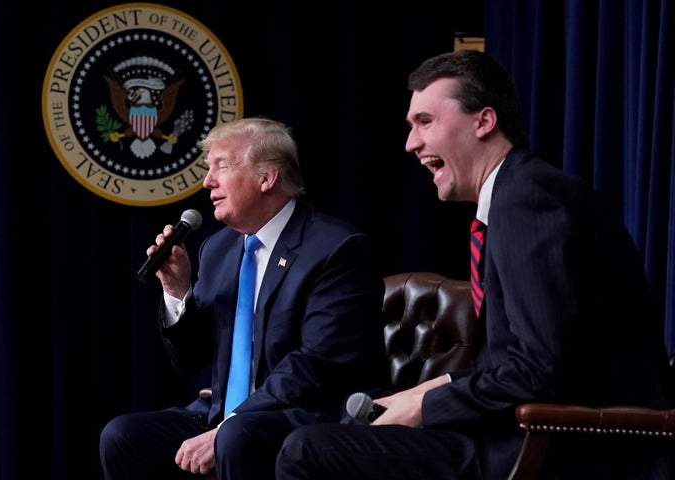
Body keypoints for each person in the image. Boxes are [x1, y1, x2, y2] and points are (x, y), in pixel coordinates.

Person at [275, 50, 675, 479]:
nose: (411, 143)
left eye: (425, 122)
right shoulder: (514, 194)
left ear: (483, 121)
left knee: (306, 450)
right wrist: (426, 391)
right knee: (344, 420)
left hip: (557, 450)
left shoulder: (528, 198)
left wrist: (424, 407)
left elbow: (540, 369)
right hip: (514, 433)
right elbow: (521, 359)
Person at [100, 117, 387, 479]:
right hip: (225, 415)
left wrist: (231, 422)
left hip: (306, 414)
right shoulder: (217, 249)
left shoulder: (336, 248)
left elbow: (317, 363)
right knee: (123, 436)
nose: (207, 182)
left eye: (222, 166)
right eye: (209, 169)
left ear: (267, 178)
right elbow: (190, 360)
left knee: (236, 438)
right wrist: (177, 291)